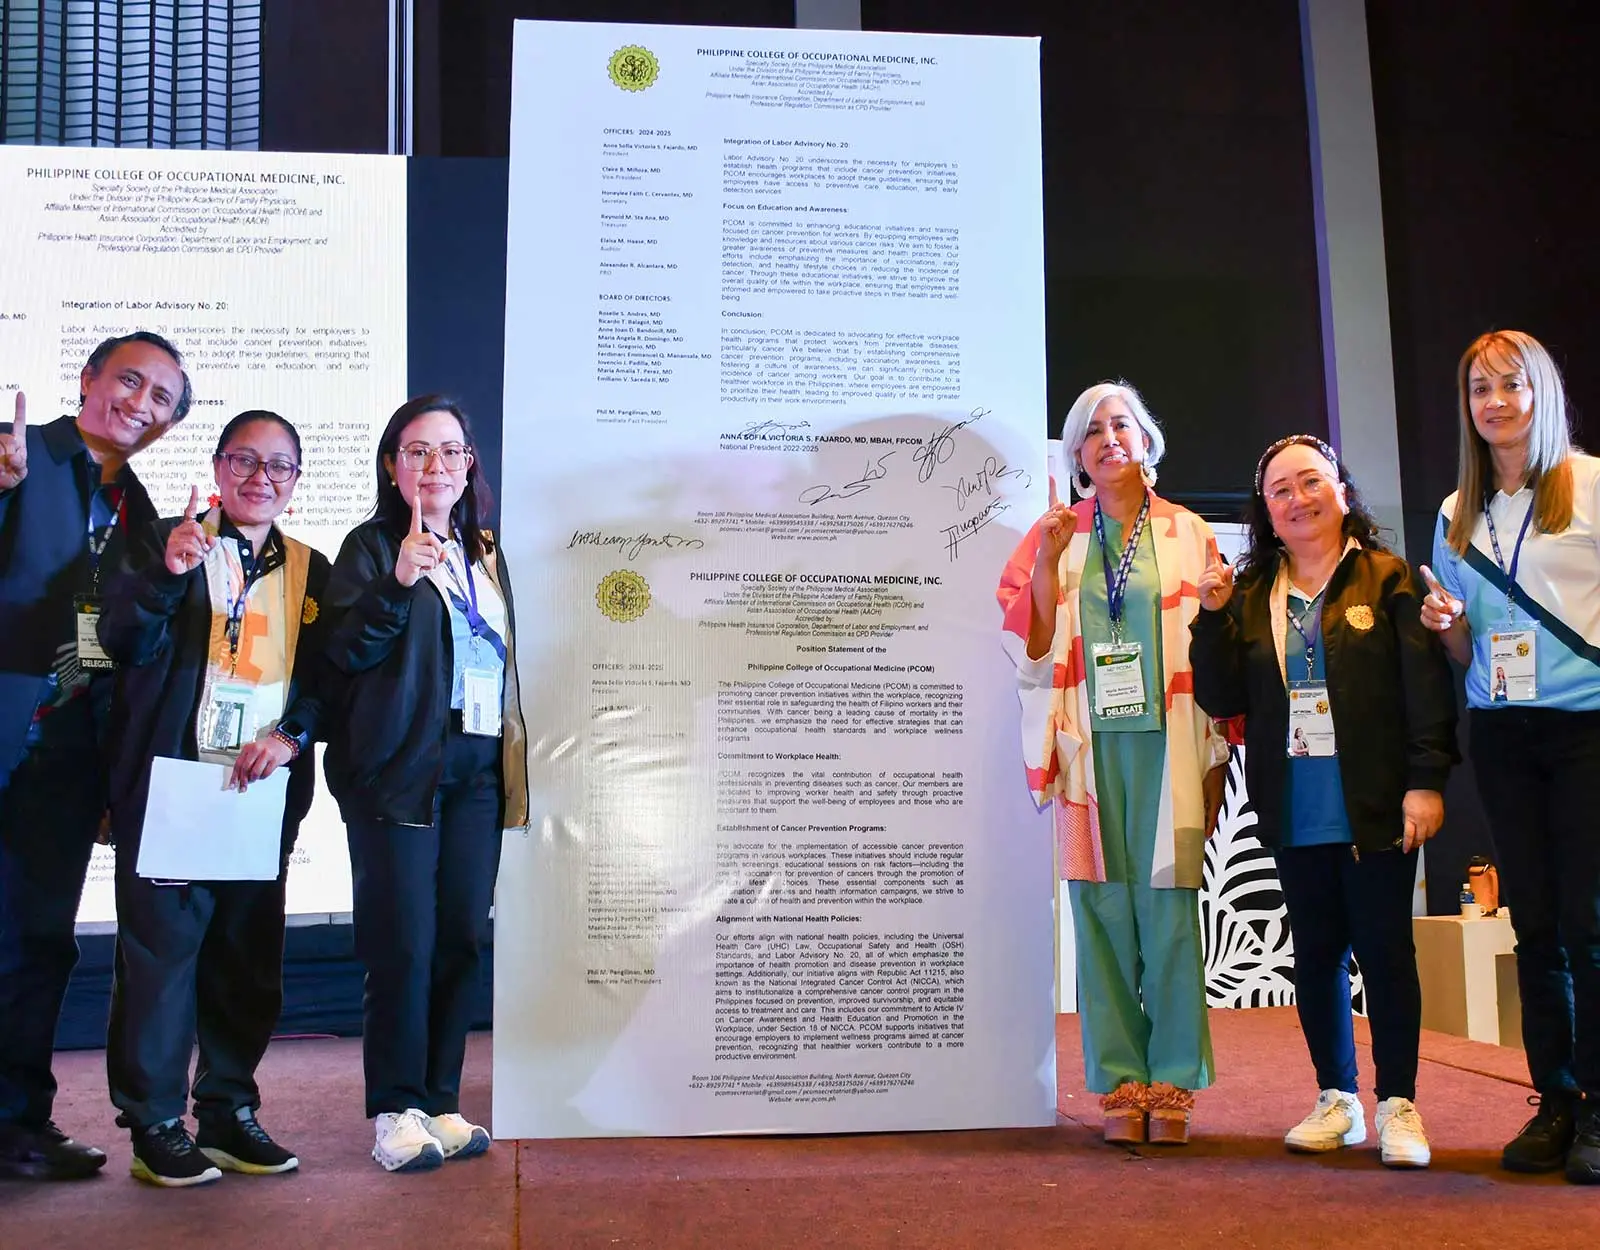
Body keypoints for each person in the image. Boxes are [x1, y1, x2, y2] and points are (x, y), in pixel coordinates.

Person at [1189, 434, 1457, 1169]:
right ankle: (1337, 1099)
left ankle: (1398, 1104)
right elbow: (1220, 696)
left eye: (1311, 482)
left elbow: (1425, 691)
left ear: (1340, 490)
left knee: (1386, 953)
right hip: (1293, 804)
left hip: (1375, 803)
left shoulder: (1387, 578)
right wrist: (1211, 617)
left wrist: (1426, 781)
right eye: (1280, 490)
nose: (1298, 499)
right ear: (1265, 510)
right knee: (1315, 956)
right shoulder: (1250, 592)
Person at [96, 411, 328, 1186]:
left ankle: (227, 1111)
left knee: (245, 960)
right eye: (245, 460)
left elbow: (328, 681)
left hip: (258, 793)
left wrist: (293, 735)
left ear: (296, 481)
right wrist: (166, 574)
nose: (261, 478)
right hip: (172, 784)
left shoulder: (312, 569)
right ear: (219, 466)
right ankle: (155, 1123)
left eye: (279, 466)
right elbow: (120, 641)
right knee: (159, 961)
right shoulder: (168, 540)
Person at [998, 382, 1229, 1146]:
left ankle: (1174, 1082)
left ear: (1146, 439)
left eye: (1121, 424)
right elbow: (1030, 641)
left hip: (1171, 742)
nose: (1108, 439)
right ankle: (1121, 1083)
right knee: (1098, 912)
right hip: (1086, 750)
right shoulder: (1058, 532)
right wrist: (1047, 561)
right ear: (1076, 454)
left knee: (1169, 912)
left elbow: (1218, 640)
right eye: (1092, 431)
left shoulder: (1189, 530)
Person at [0, 333, 191, 1180]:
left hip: (65, 758)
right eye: (129, 381)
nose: (140, 405)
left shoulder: (142, 517)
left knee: (37, 945)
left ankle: (16, 1124)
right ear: (88, 379)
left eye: (161, 399)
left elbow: (107, 647)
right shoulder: (17, 458)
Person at [322, 395, 528, 1172]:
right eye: (417, 451)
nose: (435, 465)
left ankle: (440, 1100)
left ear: (469, 465)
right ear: (392, 465)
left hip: (477, 770)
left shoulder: (486, 553)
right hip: (400, 771)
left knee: (458, 939)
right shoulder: (372, 547)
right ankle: (395, 1110)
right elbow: (342, 654)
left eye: (450, 450)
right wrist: (400, 579)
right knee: (401, 946)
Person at [1419, 329, 1600, 1184]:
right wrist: (1448, 626)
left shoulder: (1591, 485)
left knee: (1589, 924)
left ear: (1542, 393)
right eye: (1479, 389)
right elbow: (1465, 653)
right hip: (1502, 733)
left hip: (1586, 729)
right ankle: (1555, 1100)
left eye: (1510, 385)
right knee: (1534, 926)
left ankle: (1598, 1107)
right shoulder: (1455, 513)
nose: (1494, 402)